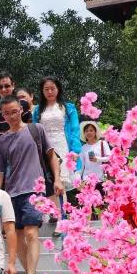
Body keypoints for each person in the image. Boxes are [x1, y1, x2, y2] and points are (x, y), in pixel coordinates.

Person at [0, 96, 63, 274]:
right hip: (11, 193)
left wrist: (57, 179)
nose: (11, 116)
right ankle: (31, 273)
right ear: (2, 115)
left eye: (14, 111)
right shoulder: (2, 141)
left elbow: (51, 155)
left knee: (31, 233)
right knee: (19, 237)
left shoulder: (36, 130)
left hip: (34, 190)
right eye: (6, 113)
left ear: (21, 110)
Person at [32, 77, 82, 220]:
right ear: (42, 91)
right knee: (49, 179)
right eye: (46, 89)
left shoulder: (68, 108)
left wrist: (75, 150)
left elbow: (74, 130)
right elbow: (36, 130)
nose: (49, 92)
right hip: (45, 147)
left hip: (63, 145)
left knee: (61, 180)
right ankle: (54, 213)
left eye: (52, 88)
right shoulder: (37, 110)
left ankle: (62, 219)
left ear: (58, 89)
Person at [0, 72, 30, 156]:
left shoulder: (23, 104)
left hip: (20, 152)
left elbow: (29, 127)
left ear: (13, 85)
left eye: (7, 86)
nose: (3, 89)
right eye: (0, 87)